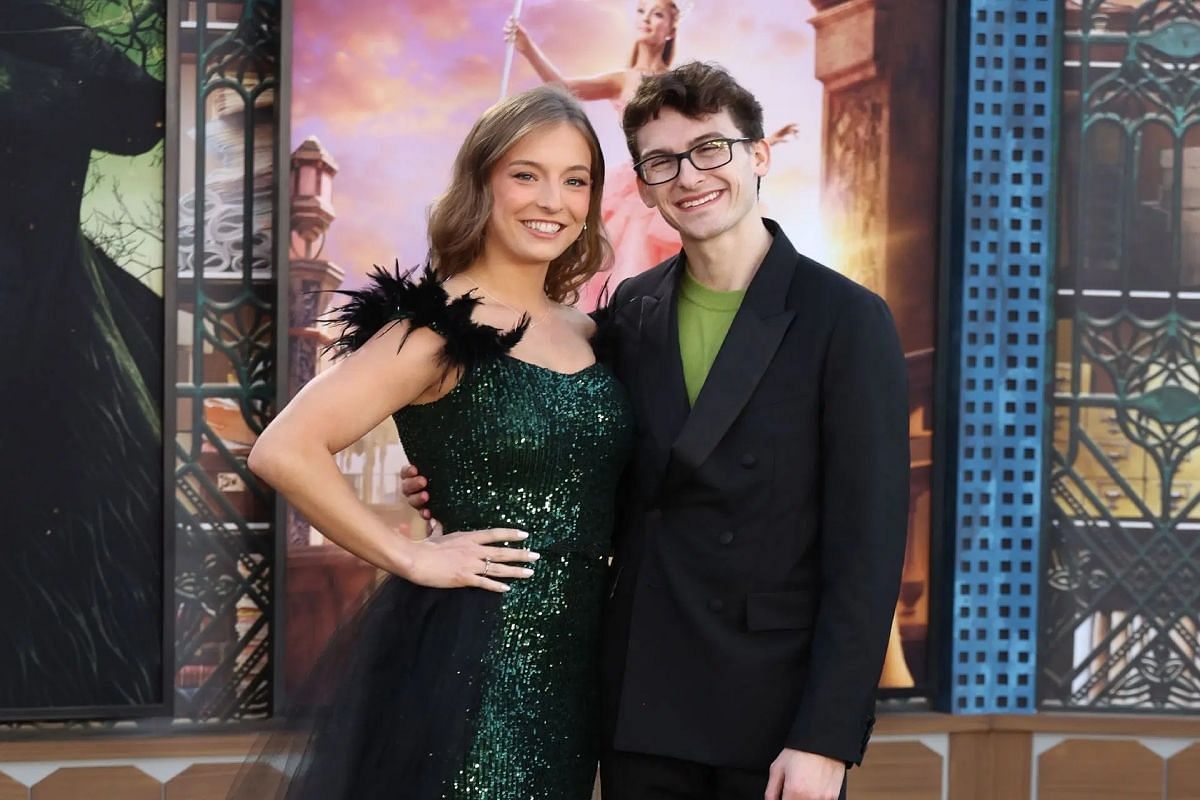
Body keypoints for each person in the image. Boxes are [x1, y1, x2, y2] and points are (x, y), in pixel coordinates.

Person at [404, 62, 909, 800]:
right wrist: (450, 470)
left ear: (758, 156)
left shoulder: (847, 319)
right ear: (641, 184)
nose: (689, 176)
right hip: (641, 697)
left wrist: (824, 739)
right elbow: (576, 447)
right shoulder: (626, 315)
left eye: (711, 149)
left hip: (772, 716)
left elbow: (868, 551)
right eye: (662, 161)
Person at [231, 85, 633, 799]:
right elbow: (283, 449)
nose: (553, 200)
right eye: (526, 174)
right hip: (473, 667)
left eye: (576, 180)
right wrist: (410, 553)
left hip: (576, 668)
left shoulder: (589, 332)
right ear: (482, 182)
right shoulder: (438, 327)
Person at [504, 1, 796, 309]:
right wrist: (527, 48)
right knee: (620, 264)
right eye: (641, 12)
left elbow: (712, 136)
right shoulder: (625, 78)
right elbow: (563, 87)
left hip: (667, 183)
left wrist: (766, 140)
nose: (646, 20)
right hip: (637, 185)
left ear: (671, 27)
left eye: (656, 14)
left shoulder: (680, 84)